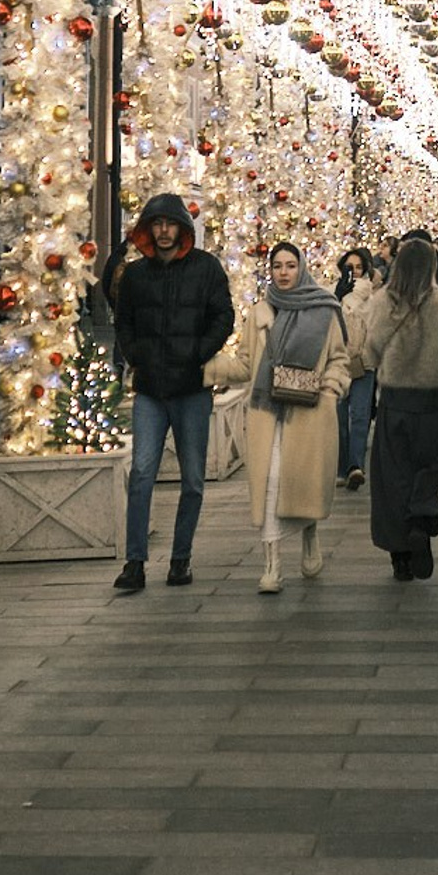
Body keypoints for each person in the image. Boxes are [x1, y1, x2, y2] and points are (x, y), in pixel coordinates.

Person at [110, 191, 236, 594]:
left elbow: (223, 315)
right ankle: (135, 561)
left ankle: (181, 557)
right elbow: (123, 321)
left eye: (170, 225)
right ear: (148, 230)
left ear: (183, 229)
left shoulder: (206, 269)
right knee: (143, 471)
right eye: (157, 225)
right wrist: (136, 354)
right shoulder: (135, 274)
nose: (163, 232)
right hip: (149, 388)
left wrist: (200, 353)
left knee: (193, 478)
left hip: (191, 389)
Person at [350, 233, 438, 581]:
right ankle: (422, 512)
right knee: (437, 462)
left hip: (395, 401)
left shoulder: (381, 302)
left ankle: (400, 555)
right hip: (434, 399)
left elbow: (370, 351)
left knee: (393, 477)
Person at [241, 243, 349, 594]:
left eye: (290, 265)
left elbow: (338, 359)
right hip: (266, 413)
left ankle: (309, 532)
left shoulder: (324, 311)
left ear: (301, 268)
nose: (283, 273)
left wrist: (331, 392)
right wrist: (203, 369)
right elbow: (245, 362)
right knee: (271, 483)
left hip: (309, 413)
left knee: (300, 484)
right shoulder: (259, 313)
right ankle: (272, 566)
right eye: (277, 266)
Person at [334, 247, 378, 488]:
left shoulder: (371, 296)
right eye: (349, 267)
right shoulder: (332, 293)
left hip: (364, 362)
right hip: (338, 363)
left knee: (360, 416)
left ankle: (355, 466)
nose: (354, 272)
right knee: (340, 417)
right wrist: (337, 296)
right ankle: (342, 467)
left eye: (358, 267)